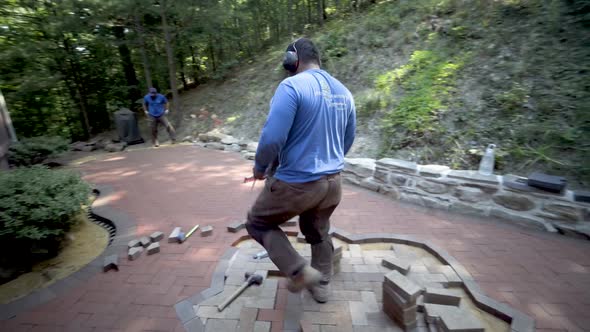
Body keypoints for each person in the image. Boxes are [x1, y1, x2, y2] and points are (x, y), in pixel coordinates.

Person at [246, 38, 356, 303]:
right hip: (333, 183)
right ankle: (322, 284)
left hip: (297, 183)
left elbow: (272, 138)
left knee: (258, 222)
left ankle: (298, 271)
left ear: (291, 61)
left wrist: (260, 168)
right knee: (316, 229)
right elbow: (348, 139)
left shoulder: (291, 86)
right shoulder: (345, 92)